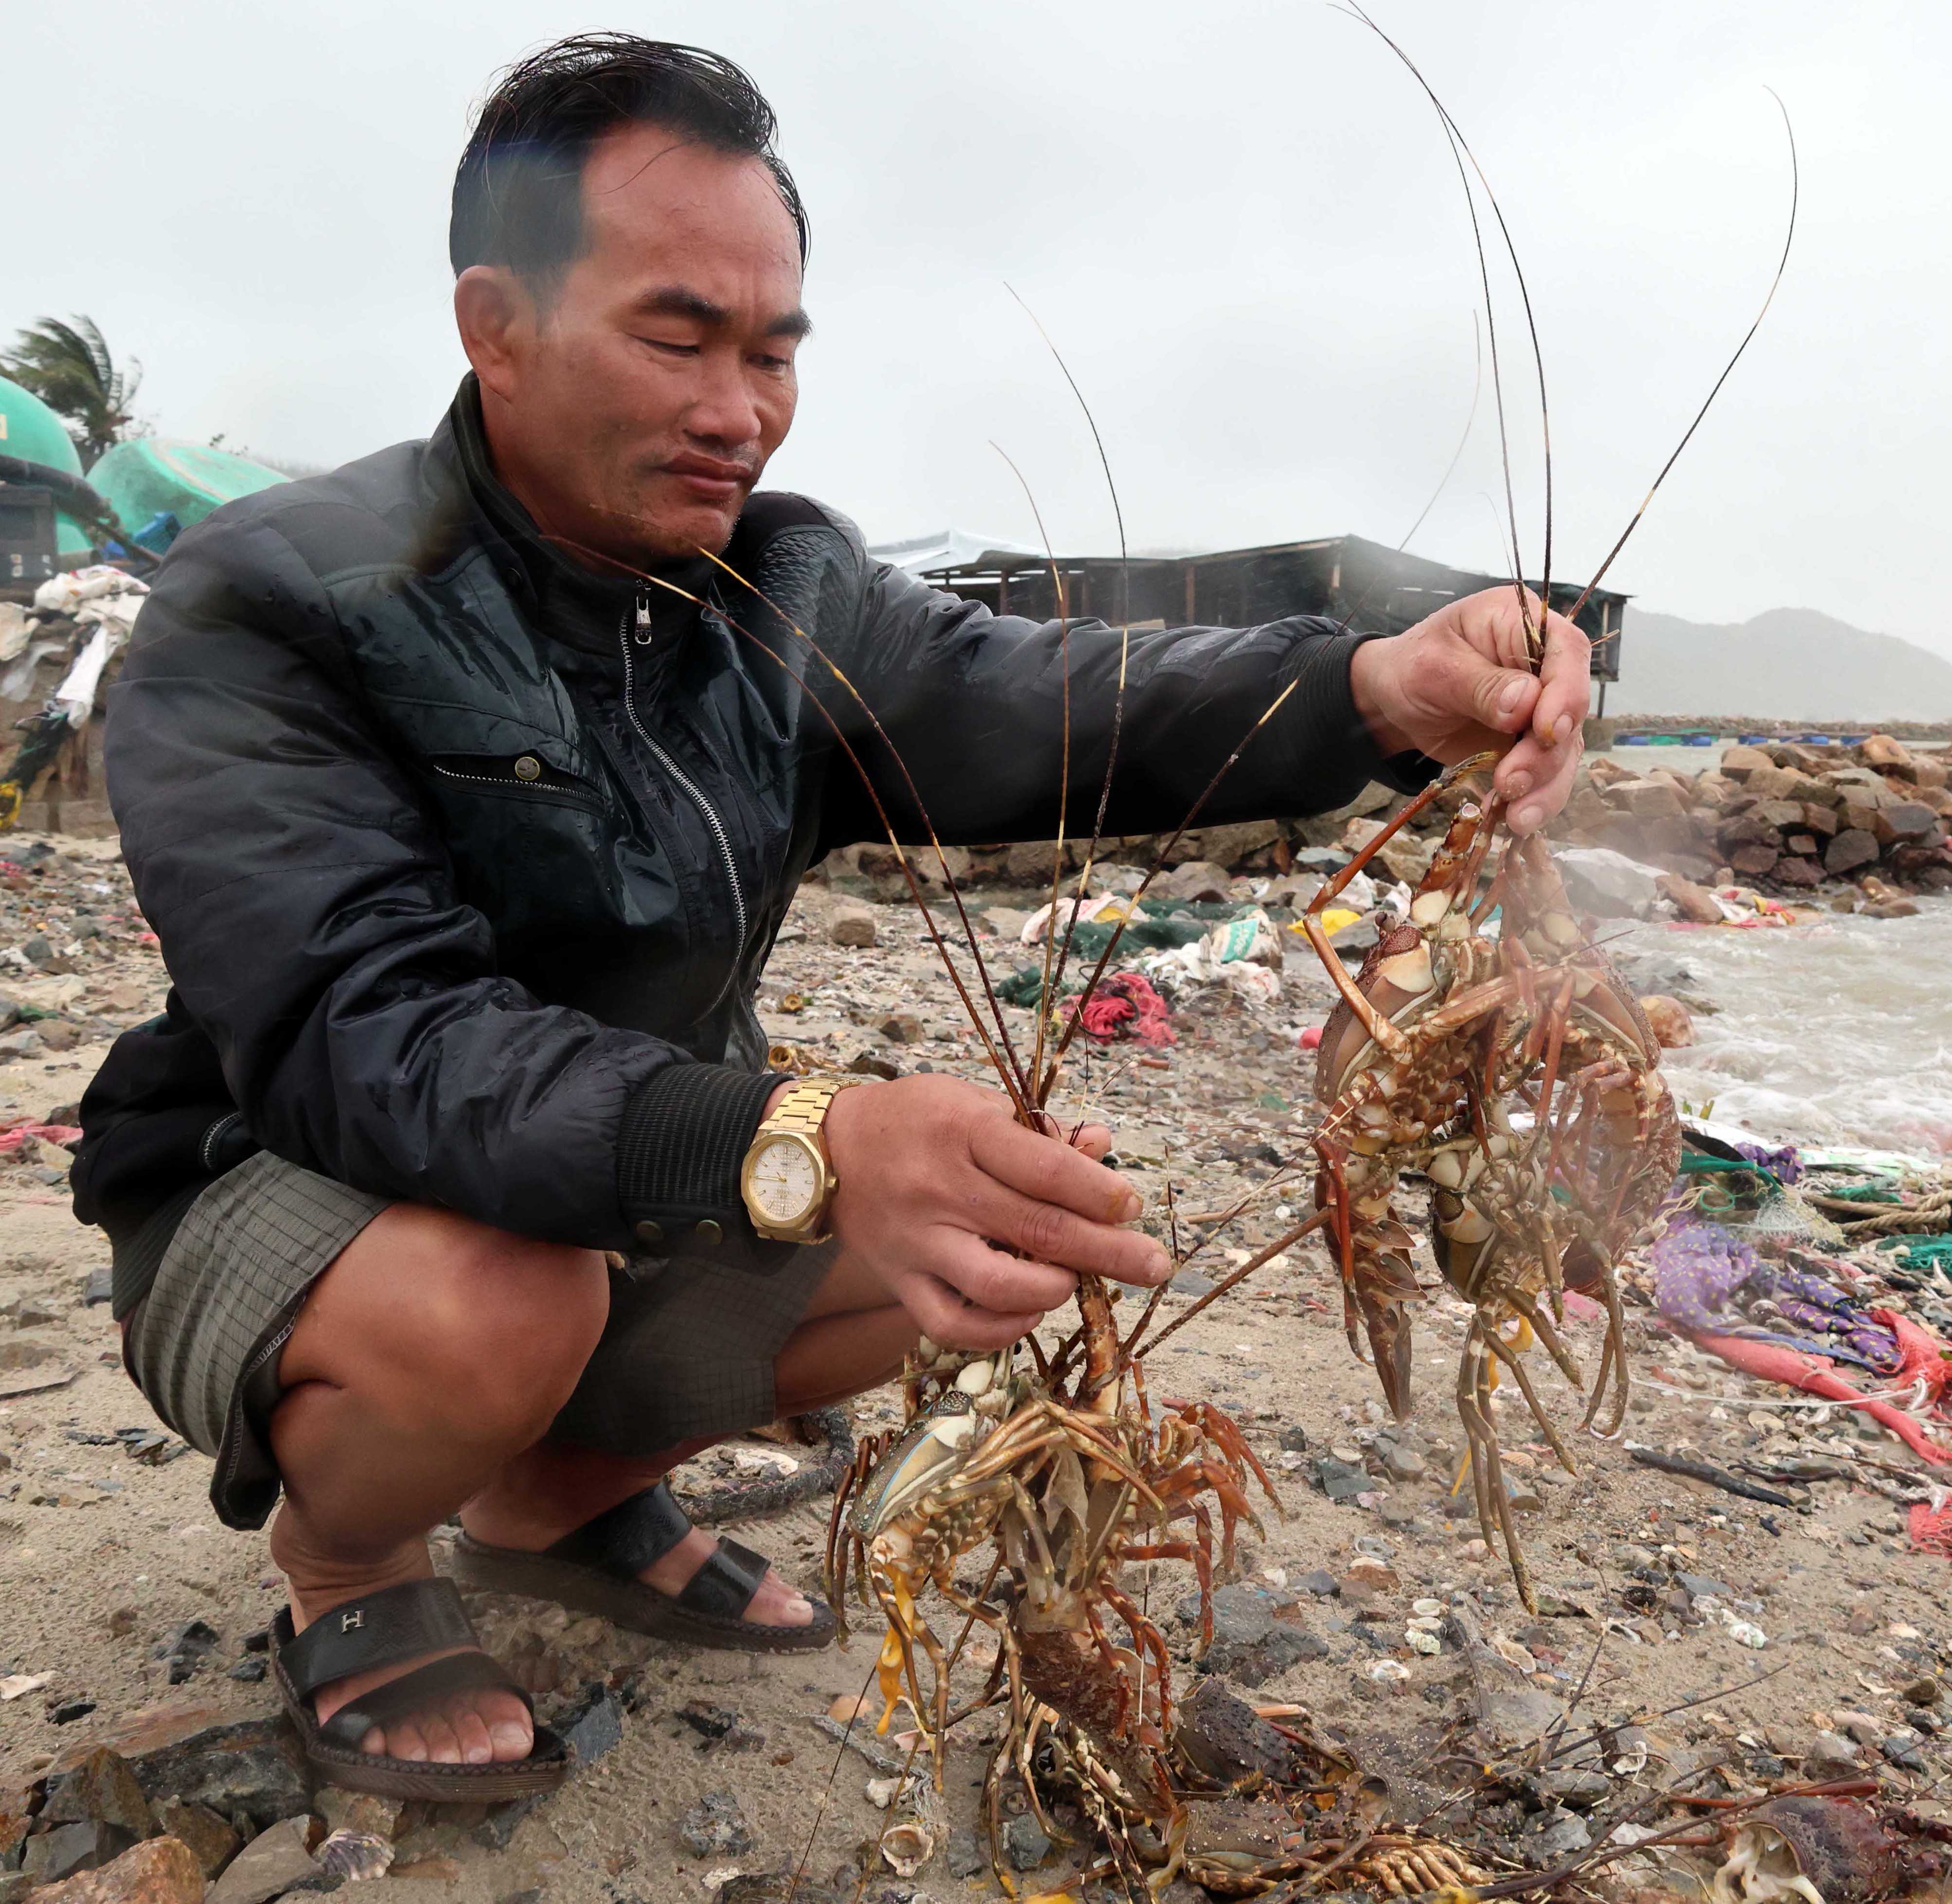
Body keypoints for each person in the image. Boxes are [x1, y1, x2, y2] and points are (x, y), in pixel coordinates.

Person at [71, 34, 1587, 1798]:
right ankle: (353, 1561)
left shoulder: (780, 585)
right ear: (494, 324)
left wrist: (1372, 684)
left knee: (1002, 1232)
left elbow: (1045, 699)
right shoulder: (266, 603)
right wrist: (803, 1136)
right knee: (500, 1295)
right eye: (676, 336)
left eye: (773, 349)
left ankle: (552, 1496)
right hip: (298, 1191)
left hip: (637, 1172)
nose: (739, 406)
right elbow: (367, 1039)